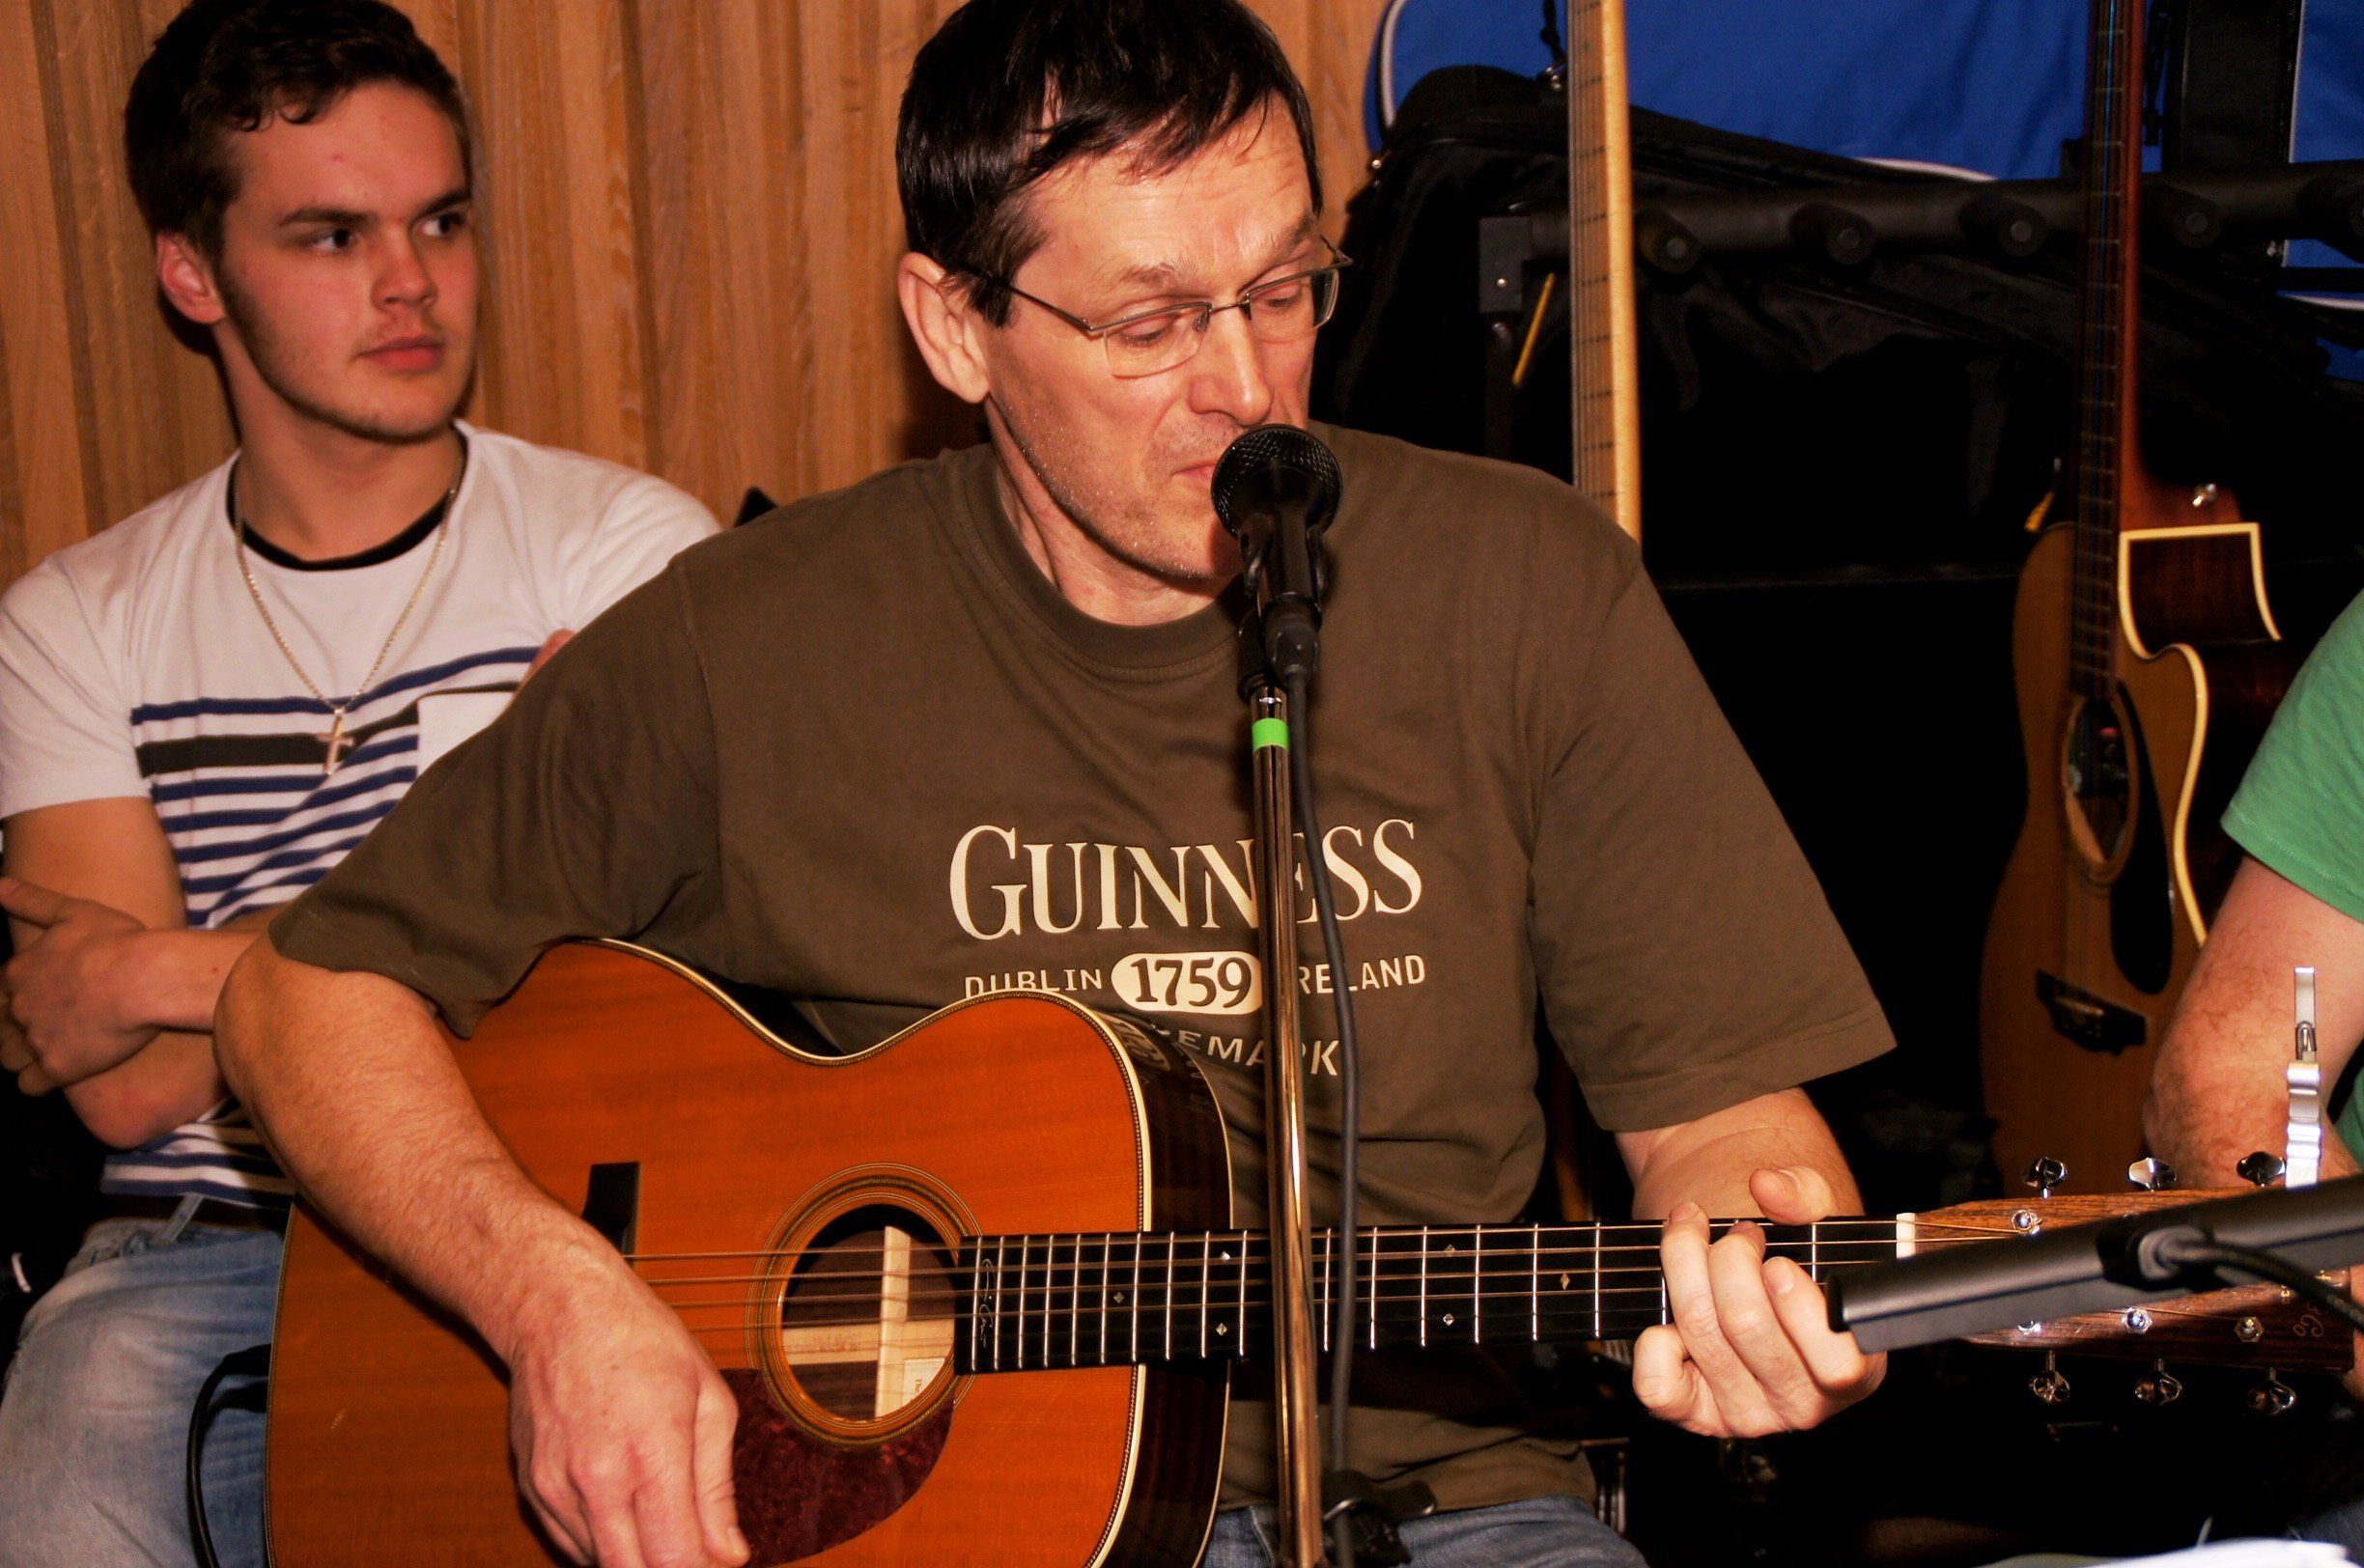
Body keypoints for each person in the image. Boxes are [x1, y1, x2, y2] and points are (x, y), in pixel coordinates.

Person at [214, 2, 1895, 1563]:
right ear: (957, 326)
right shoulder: (752, 640)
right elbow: (302, 999)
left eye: (1285, 290)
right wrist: (551, 1300)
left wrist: (1770, 1265)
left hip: (1441, 1514)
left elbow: (1722, 1119)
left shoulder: (1526, 585)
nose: (1245, 386)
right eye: (1150, 322)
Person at [0, 3, 719, 1562]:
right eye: (332, 236)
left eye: (440, 221)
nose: (412, 283)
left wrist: (151, 968)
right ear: (193, 273)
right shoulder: (77, 620)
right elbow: (135, 1090)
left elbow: (606, 992)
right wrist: (454, 929)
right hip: (205, 1247)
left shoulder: (626, 553)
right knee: (73, 1445)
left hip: (537, 1211)